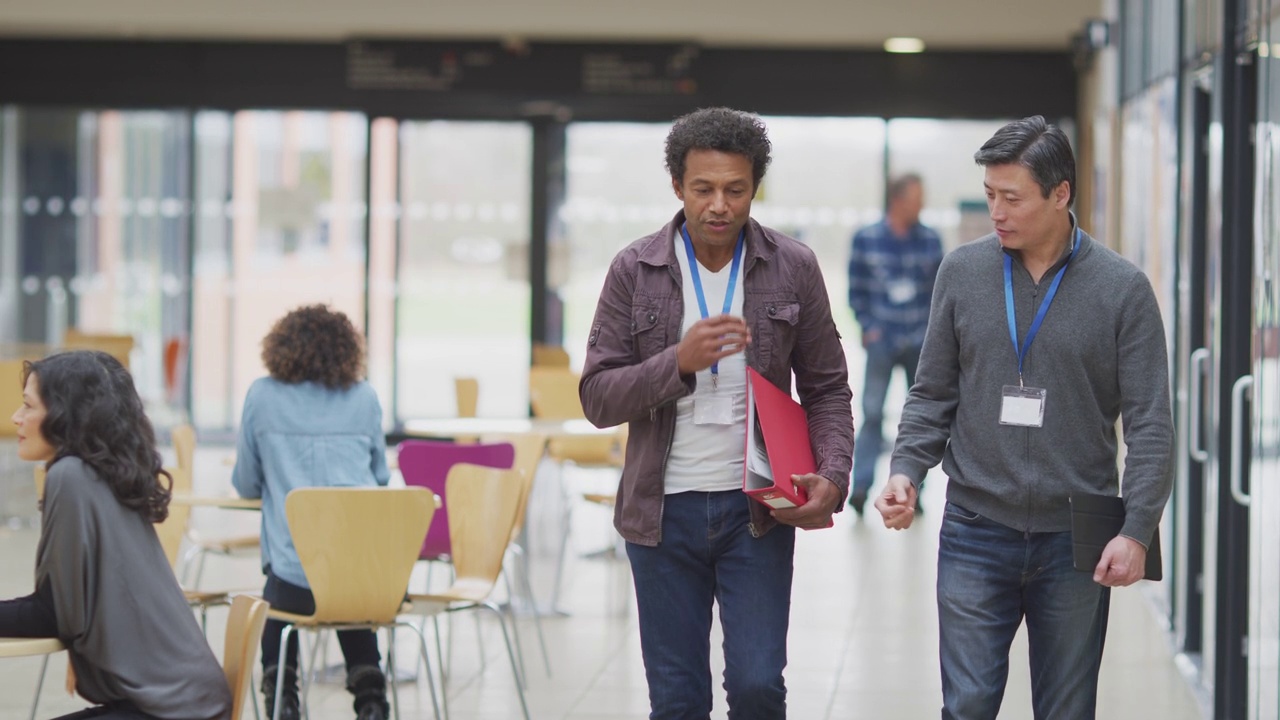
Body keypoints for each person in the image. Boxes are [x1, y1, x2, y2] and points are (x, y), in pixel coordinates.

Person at [875, 116, 1174, 719]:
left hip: (1075, 538)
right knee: (967, 707)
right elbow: (932, 392)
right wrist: (906, 469)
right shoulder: (962, 272)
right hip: (974, 527)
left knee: (1066, 710)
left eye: (1012, 198)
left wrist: (1137, 528)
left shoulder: (1122, 290)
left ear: (1060, 193)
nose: (998, 212)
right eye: (990, 195)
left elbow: (1150, 424)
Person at [579, 107, 854, 719]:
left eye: (736, 189)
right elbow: (597, 396)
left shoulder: (794, 267)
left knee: (758, 686)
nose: (719, 206)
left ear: (755, 186)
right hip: (660, 513)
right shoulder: (635, 269)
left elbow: (829, 388)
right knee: (677, 699)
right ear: (677, 186)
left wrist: (832, 477)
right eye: (703, 189)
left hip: (756, 509)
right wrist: (677, 363)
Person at [2, 350, 232, 720]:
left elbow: (52, 615)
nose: (16, 418)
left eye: (28, 406)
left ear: (66, 415)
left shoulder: (71, 476)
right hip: (191, 702)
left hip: (169, 711)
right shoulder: (103, 475)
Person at [232, 305, 392, 720]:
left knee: (278, 592)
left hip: (291, 582)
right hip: (360, 583)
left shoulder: (261, 396)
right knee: (345, 584)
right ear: (346, 349)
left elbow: (246, 484)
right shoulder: (365, 397)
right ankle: (371, 697)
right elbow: (379, 479)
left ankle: (282, 697)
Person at [846, 173, 943, 515]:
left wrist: (932, 334)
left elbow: (939, 295)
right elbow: (855, 291)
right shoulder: (866, 238)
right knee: (872, 414)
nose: (921, 204)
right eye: (917, 198)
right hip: (882, 341)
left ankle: (912, 489)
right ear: (899, 200)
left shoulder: (930, 240)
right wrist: (869, 328)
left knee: (920, 416)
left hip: (919, 341)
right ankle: (861, 487)